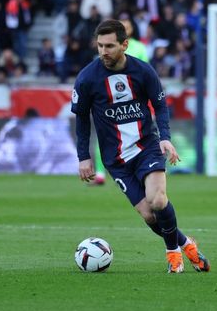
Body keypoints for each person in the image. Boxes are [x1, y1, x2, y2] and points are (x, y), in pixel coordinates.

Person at [71, 19, 209, 274]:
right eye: (100, 46)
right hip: (116, 160)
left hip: (146, 146)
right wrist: (84, 157)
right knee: (149, 215)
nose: (103, 51)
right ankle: (186, 243)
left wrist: (165, 137)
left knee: (157, 200)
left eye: (110, 46)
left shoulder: (143, 72)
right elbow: (81, 117)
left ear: (125, 45)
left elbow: (160, 105)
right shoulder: (87, 78)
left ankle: (173, 255)